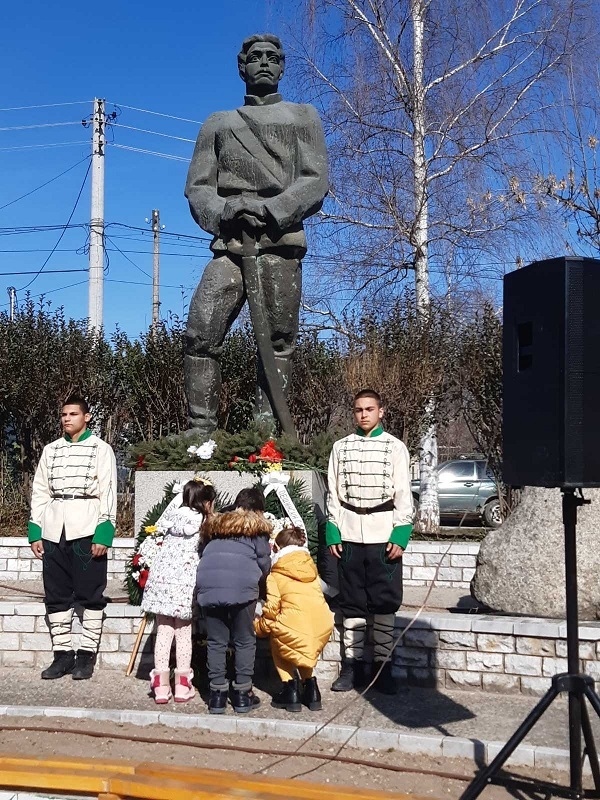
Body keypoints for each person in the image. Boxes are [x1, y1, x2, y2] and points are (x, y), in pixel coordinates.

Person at [184, 33, 328, 433]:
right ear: (240, 65)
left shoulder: (303, 117)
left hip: (279, 242)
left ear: (282, 67)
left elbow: (315, 181)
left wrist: (270, 209)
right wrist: (226, 210)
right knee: (201, 330)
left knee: (278, 339)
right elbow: (197, 187)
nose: (263, 62)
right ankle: (201, 426)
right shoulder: (218, 123)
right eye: (255, 57)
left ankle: (265, 425)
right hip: (231, 245)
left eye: (272, 57)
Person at [326, 389, 413, 695]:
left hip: (383, 533)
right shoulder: (341, 447)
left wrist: (401, 533)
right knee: (352, 604)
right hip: (349, 533)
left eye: (369, 409)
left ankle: (382, 668)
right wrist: (333, 529)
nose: (364, 414)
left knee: (384, 602)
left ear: (381, 411)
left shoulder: (395, 448)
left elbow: (403, 493)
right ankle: (350, 667)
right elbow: (333, 492)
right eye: (359, 409)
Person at [28, 395, 117, 681]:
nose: (67, 419)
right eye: (64, 414)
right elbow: (40, 491)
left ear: (87, 417)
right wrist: (35, 530)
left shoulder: (101, 449)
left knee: (90, 593)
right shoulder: (50, 450)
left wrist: (104, 532)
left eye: (73, 414)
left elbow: (109, 491)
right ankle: (62, 655)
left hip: (87, 527)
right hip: (54, 528)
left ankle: (86, 656)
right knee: (56, 594)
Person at [196, 487, 271, 714]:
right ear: (258, 510)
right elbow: (264, 563)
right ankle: (242, 694)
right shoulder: (256, 529)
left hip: (209, 582)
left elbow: (203, 553)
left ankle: (217, 696)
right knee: (244, 639)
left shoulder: (215, 526)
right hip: (241, 584)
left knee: (217, 641)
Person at [141, 478, 216, 704]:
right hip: (184, 585)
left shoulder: (171, 518)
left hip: (161, 584)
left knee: (163, 631)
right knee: (183, 634)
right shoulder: (203, 522)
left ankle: (161, 686)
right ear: (205, 502)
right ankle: (182, 685)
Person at [255, 526, 334, 712]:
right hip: (322, 624)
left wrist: (259, 627)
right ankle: (311, 689)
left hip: (295, 624)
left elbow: (272, 608)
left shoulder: (276, 574)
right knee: (299, 645)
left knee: (278, 638)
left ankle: (290, 690)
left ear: (278, 548)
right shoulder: (311, 569)